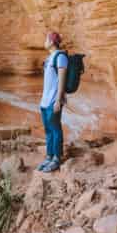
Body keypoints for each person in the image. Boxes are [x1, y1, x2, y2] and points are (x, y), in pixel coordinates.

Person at [38, 31, 69, 172]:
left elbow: (61, 79)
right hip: (45, 101)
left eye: (46, 39)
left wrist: (58, 100)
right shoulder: (50, 57)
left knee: (55, 129)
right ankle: (49, 156)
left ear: (51, 41)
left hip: (53, 101)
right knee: (48, 130)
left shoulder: (60, 56)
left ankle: (57, 158)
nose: (44, 41)